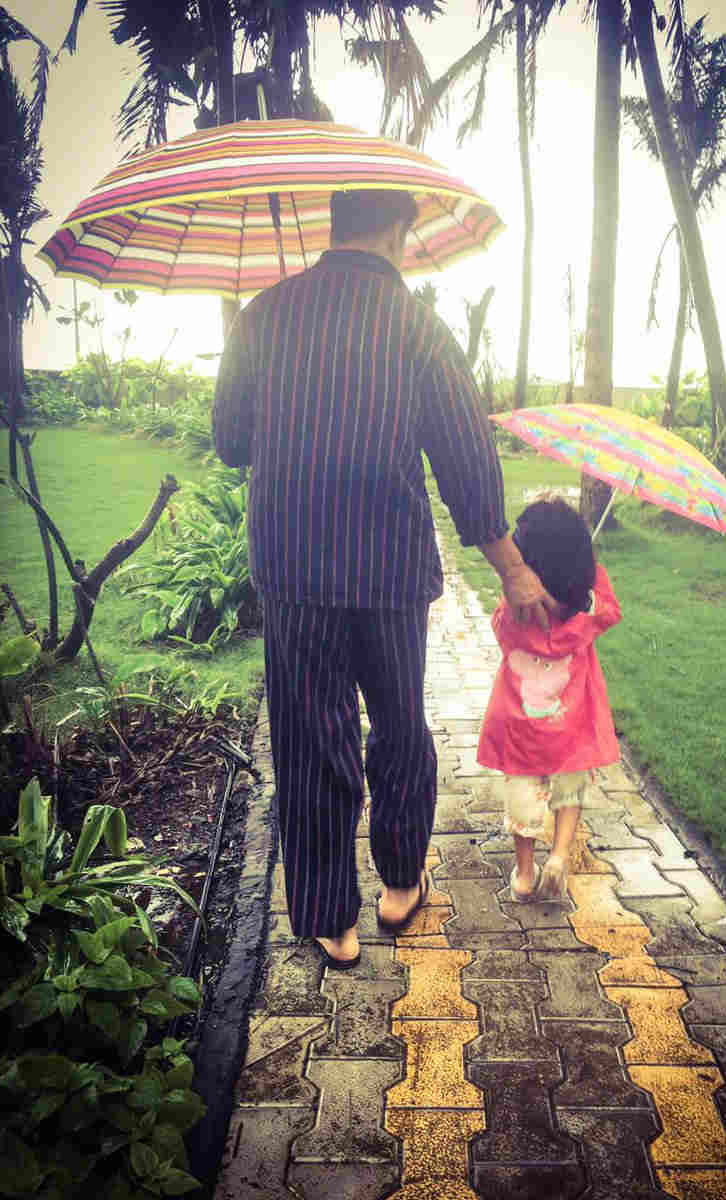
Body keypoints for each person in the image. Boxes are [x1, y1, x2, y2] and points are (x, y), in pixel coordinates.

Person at [213, 188, 557, 969]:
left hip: (294, 565)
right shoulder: (418, 325)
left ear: (333, 224)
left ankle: (331, 919)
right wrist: (510, 568)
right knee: (399, 724)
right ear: (400, 230)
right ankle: (401, 882)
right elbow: (466, 456)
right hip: (390, 570)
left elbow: (231, 441)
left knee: (311, 736)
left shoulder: (263, 315)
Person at [476, 497, 622, 901]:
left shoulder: (516, 612)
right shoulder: (587, 612)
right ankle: (558, 856)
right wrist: (582, 587)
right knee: (569, 790)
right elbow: (611, 611)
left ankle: (524, 874)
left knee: (523, 796)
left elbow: (499, 629)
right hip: (572, 726)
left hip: (521, 728)